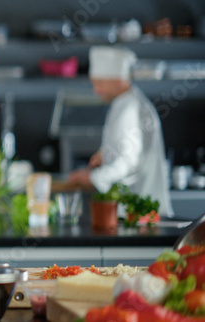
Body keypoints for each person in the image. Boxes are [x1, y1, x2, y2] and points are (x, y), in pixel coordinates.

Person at [68, 46, 173, 217]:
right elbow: (129, 145)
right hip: (135, 212)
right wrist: (105, 154)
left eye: (100, 83)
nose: (96, 90)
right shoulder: (126, 102)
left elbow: (128, 161)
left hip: (137, 214)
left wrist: (94, 178)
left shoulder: (129, 108)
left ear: (118, 80)